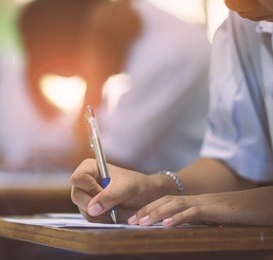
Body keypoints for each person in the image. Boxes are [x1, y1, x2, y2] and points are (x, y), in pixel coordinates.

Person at [70, 0, 273, 227]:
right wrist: (153, 187)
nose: (232, 4)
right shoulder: (242, 25)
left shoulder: (171, 48)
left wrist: (250, 203)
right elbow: (238, 164)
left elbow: (119, 150)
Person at [13, 0, 210, 172]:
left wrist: (95, 76)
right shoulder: (144, 37)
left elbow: (102, 164)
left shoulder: (166, 53)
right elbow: (75, 147)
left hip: (191, 199)